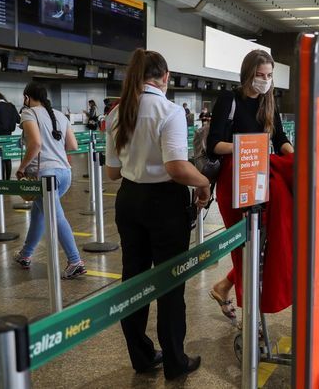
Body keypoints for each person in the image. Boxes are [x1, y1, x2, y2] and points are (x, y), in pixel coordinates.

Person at [105, 49, 210, 380]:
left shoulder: (117, 113)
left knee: (133, 280)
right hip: (164, 204)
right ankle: (176, 363)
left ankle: (142, 356)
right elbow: (177, 168)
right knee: (170, 282)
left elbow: (112, 173)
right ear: (165, 78)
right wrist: (204, 181)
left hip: (129, 201)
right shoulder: (169, 111)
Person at [207, 49, 294, 321]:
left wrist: (298, 160)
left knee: (265, 241)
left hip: (263, 177)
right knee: (245, 246)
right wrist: (248, 147)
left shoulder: (269, 102)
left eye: (269, 75)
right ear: (248, 74)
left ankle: (224, 287)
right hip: (236, 180)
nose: (265, 80)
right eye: (260, 75)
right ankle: (251, 316)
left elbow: (280, 139)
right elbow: (213, 145)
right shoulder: (229, 99)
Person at [13, 83, 86, 279]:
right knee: (39, 212)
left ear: (27, 97)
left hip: (43, 175)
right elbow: (72, 145)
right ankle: (25, 254)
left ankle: (75, 260)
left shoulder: (29, 113)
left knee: (55, 216)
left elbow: (35, 143)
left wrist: (21, 168)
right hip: (64, 173)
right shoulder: (60, 115)